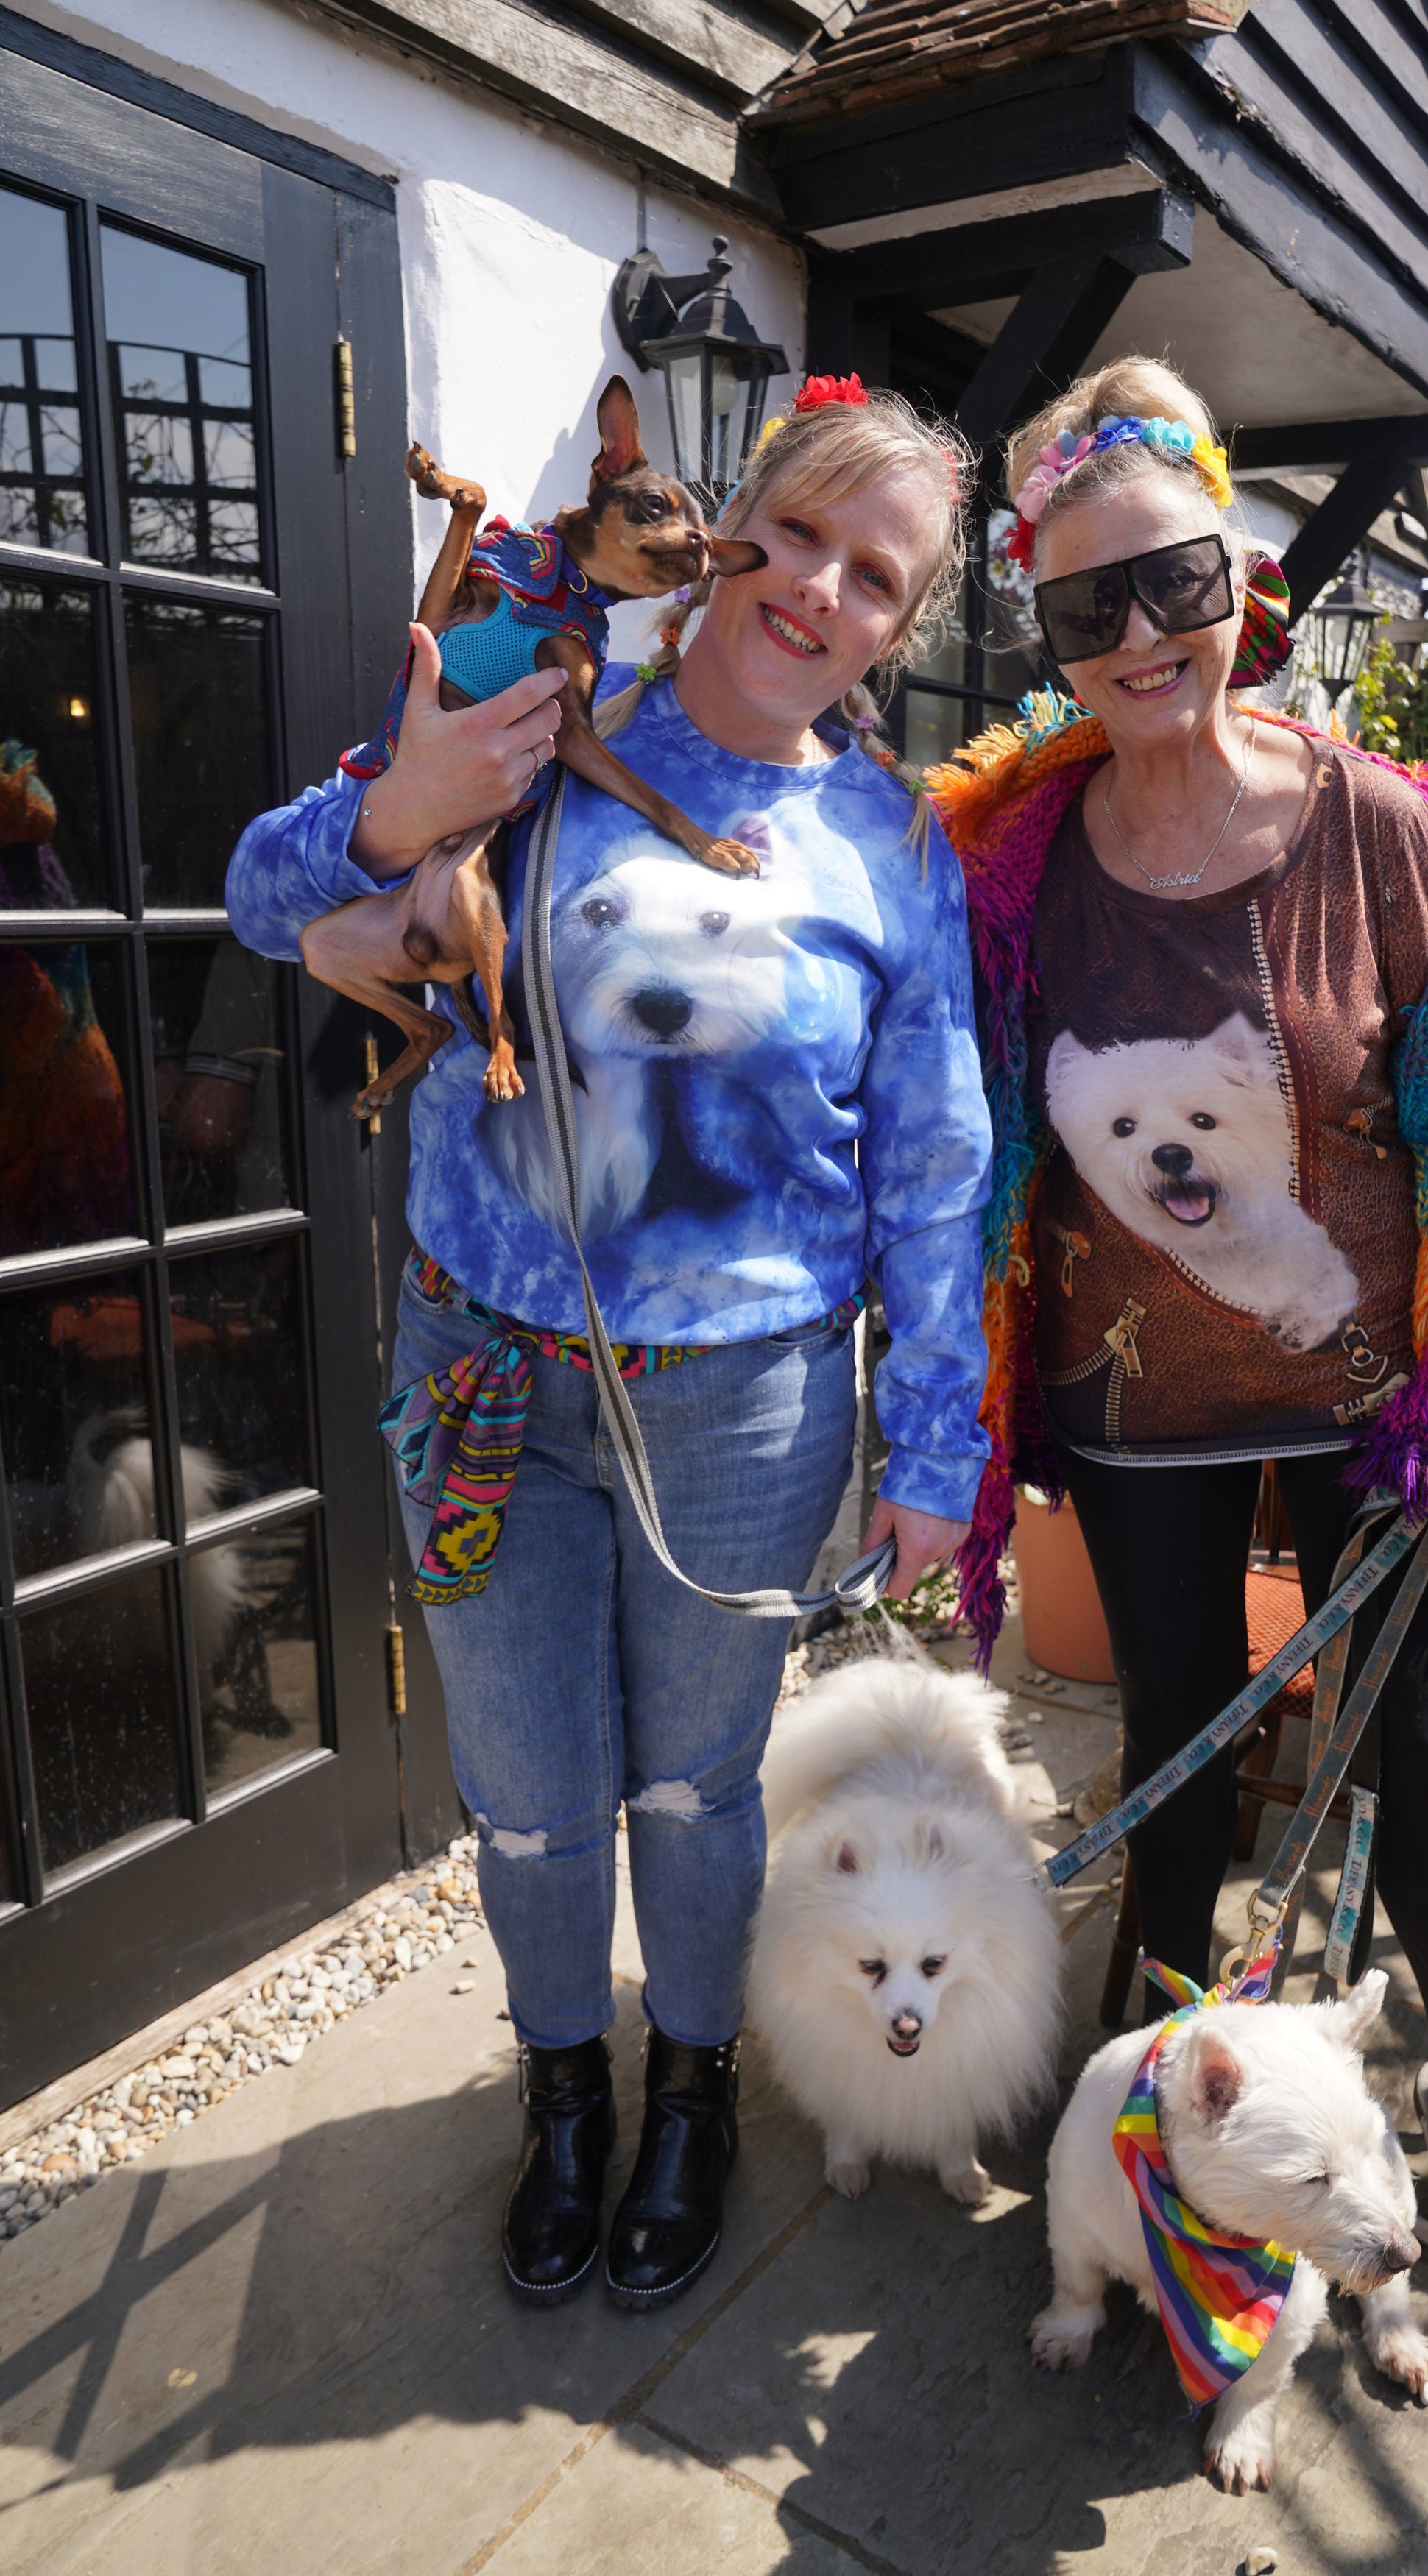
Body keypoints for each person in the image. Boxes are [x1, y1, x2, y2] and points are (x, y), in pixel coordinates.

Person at [226, 377, 992, 2313]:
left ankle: (690, 2097)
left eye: (876, 573)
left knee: (697, 1788)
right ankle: (565, 2094)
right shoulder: (545, 718)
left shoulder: (893, 844)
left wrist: (929, 1450)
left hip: (748, 1406)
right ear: (732, 528)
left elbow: (934, 1165)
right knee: (532, 1786)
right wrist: (413, 805)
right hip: (482, 1369)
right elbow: (266, 896)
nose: (819, 587)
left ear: (904, 624)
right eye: (800, 531)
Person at [933, 357, 1428, 2334]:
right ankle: (1164, 2108)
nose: (1136, 638)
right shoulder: (1013, 863)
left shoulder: (1386, 837)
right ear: (1041, 626)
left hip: (1376, 1397)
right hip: (1144, 1410)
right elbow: (960, 1126)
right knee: (1184, 1756)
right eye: (1080, 606)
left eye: (1173, 584)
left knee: (1420, 1759)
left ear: (1245, 580)